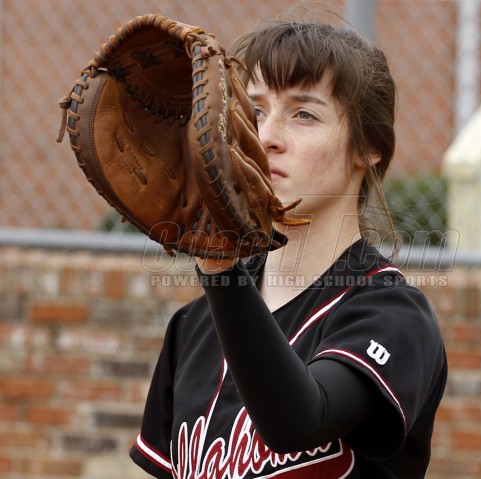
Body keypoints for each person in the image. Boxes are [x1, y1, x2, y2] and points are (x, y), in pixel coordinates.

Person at [130, 19, 447, 479]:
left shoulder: (392, 314)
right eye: (254, 110)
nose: (267, 137)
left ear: (368, 147)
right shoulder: (194, 326)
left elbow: (300, 421)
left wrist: (221, 270)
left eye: (304, 115)